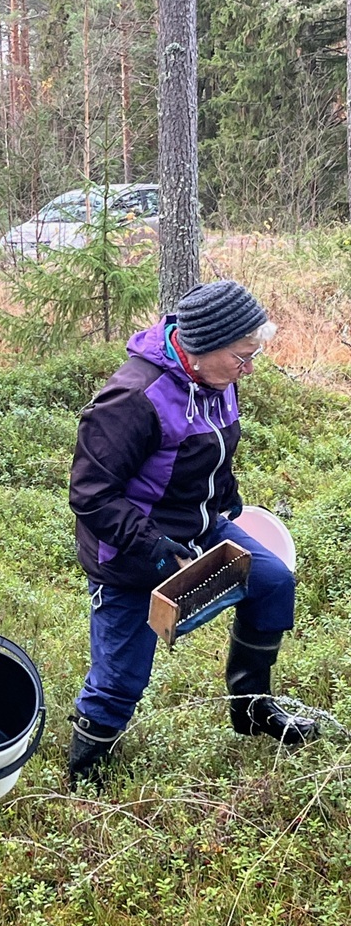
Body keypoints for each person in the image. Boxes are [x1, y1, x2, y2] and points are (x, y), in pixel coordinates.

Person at [67, 279, 318, 788]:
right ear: (199, 350)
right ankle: (85, 774)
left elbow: (210, 446)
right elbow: (90, 493)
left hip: (199, 530)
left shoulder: (218, 377)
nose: (248, 368)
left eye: (253, 355)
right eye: (241, 357)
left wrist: (226, 491)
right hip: (130, 555)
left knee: (272, 581)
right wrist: (150, 542)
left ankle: (251, 710)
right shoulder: (131, 399)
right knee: (121, 679)